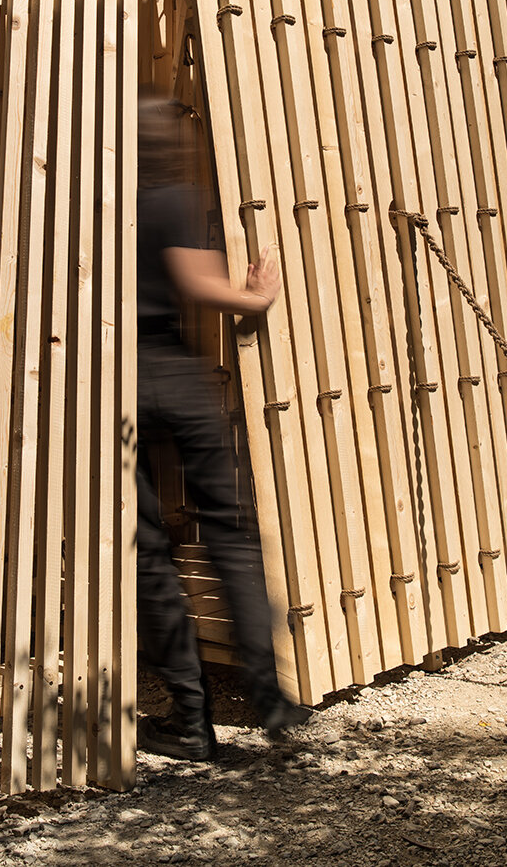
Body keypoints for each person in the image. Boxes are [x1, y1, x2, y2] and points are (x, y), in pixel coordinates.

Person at [136, 94, 310, 761]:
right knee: (230, 536)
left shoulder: (102, 206)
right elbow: (193, 279)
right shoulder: (174, 197)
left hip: (120, 383)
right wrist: (253, 296)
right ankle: (271, 703)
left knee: (151, 554)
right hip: (178, 378)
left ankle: (191, 723)